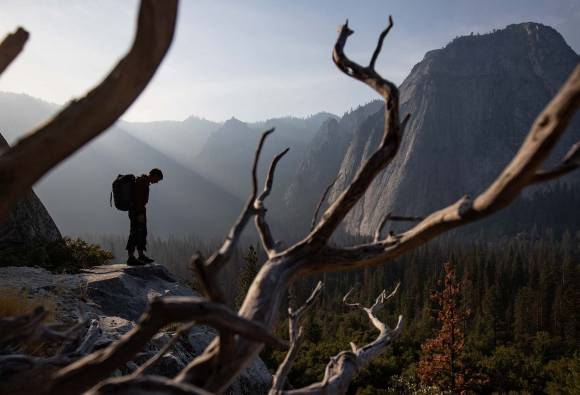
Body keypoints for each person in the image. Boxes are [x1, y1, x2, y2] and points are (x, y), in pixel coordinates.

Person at [126, 168, 163, 265]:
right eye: (157, 179)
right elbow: (138, 199)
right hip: (137, 212)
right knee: (135, 232)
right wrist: (140, 214)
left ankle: (141, 255)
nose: (157, 182)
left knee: (141, 233)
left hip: (139, 211)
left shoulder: (144, 182)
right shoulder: (142, 182)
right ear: (154, 175)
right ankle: (131, 257)